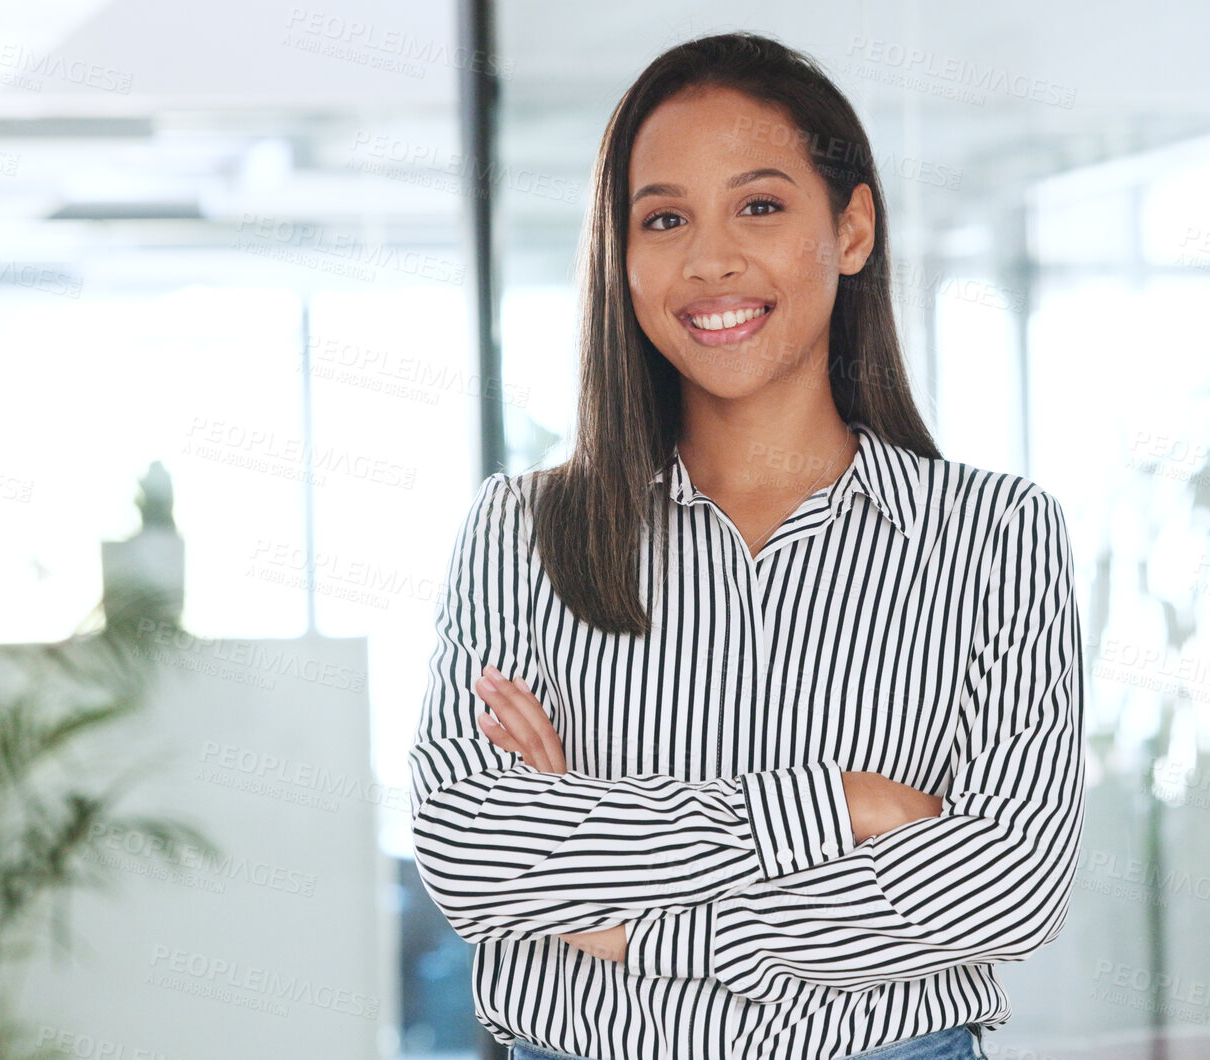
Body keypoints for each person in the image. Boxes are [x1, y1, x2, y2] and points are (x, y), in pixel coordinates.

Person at [407, 30, 1086, 1060]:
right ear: (621, 255)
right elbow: (474, 850)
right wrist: (833, 805)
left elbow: (1006, 884)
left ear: (850, 228)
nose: (710, 258)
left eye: (759, 206)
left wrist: (630, 919)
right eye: (664, 217)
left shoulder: (993, 537)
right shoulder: (523, 532)